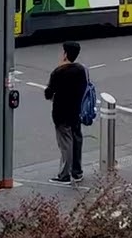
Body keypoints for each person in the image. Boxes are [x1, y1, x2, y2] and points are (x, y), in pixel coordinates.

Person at [43, 41, 87, 185]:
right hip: (76, 111)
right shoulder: (81, 70)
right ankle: (77, 172)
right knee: (76, 140)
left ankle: (64, 175)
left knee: (65, 144)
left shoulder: (59, 72)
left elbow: (48, 93)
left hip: (62, 113)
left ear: (65, 54)